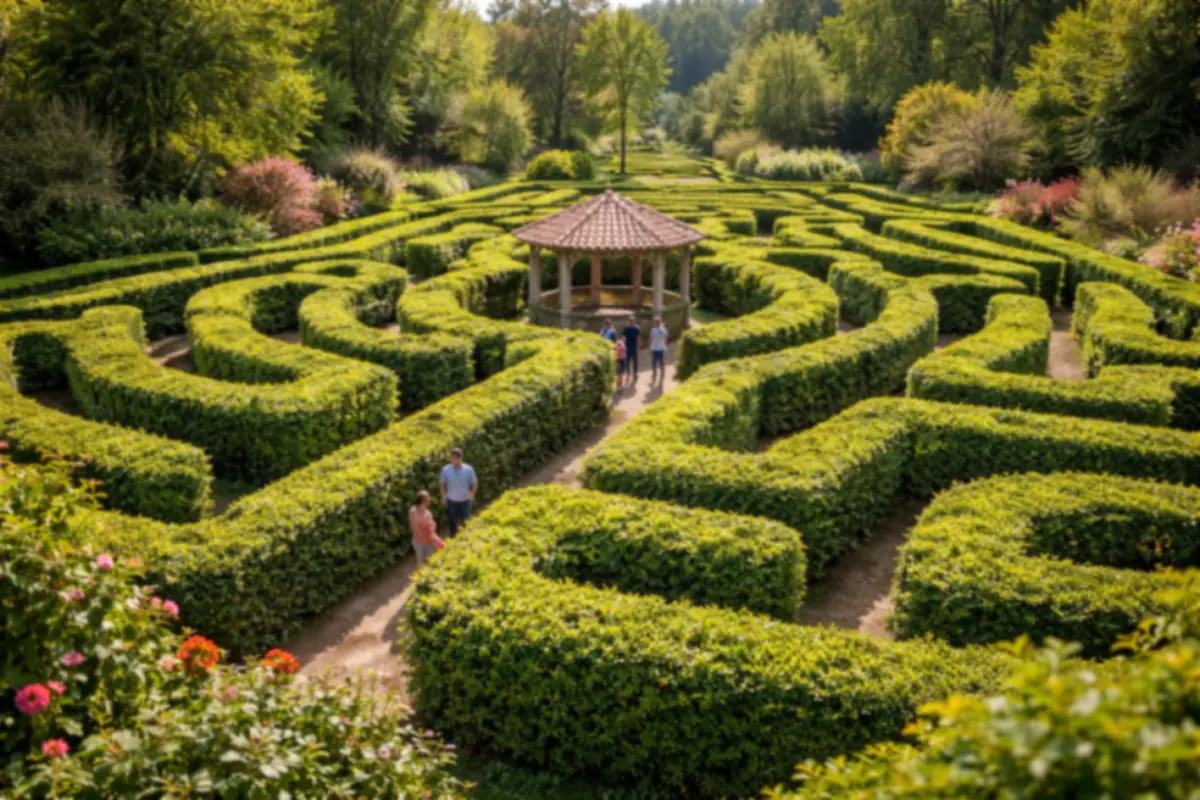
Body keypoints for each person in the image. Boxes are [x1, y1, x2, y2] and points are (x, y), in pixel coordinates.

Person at [439, 447, 477, 536]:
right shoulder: (446, 469)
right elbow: (441, 483)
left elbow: (475, 483)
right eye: (452, 458)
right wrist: (443, 495)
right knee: (452, 522)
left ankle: (466, 538)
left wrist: (471, 494)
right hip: (451, 501)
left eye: (455, 459)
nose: (453, 461)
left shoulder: (468, 470)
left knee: (466, 522)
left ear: (460, 458)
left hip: (464, 501)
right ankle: (453, 541)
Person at [408, 489, 443, 567]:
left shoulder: (427, 513)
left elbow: (431, 527)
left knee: (431, 561)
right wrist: (434, 540)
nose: (430, 499)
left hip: (428, 541)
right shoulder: (413, 512)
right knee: (421, 564)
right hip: (419, 543)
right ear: (423, 500)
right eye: (428, 498)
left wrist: (435, 538)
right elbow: (416, 531)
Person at [622, 315, 641, 380]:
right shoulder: (627, 328)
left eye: (632, 321)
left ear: (634, 321)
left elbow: (638, 337)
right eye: (631, 321)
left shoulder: (636, 328)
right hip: (628, 347)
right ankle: (628, 373)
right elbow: (624, 338)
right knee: (628, 361)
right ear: (629, 321)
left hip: (633, 347)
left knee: (634, 361)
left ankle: (634, 373)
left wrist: (638, 345)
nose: (631, 322)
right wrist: (623, 346)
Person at [650, 317, 668, 382]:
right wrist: (664, 344)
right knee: (661, 362)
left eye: (655, 322)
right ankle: (662, 373)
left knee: (654, 362)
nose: (654, 323)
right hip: (661, 348)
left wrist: (650, 346)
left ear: (656, 323)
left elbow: (651, 339)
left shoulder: (653, 330)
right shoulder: (663, 330)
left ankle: (655, 372)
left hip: (654, 348)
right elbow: (665, 338)